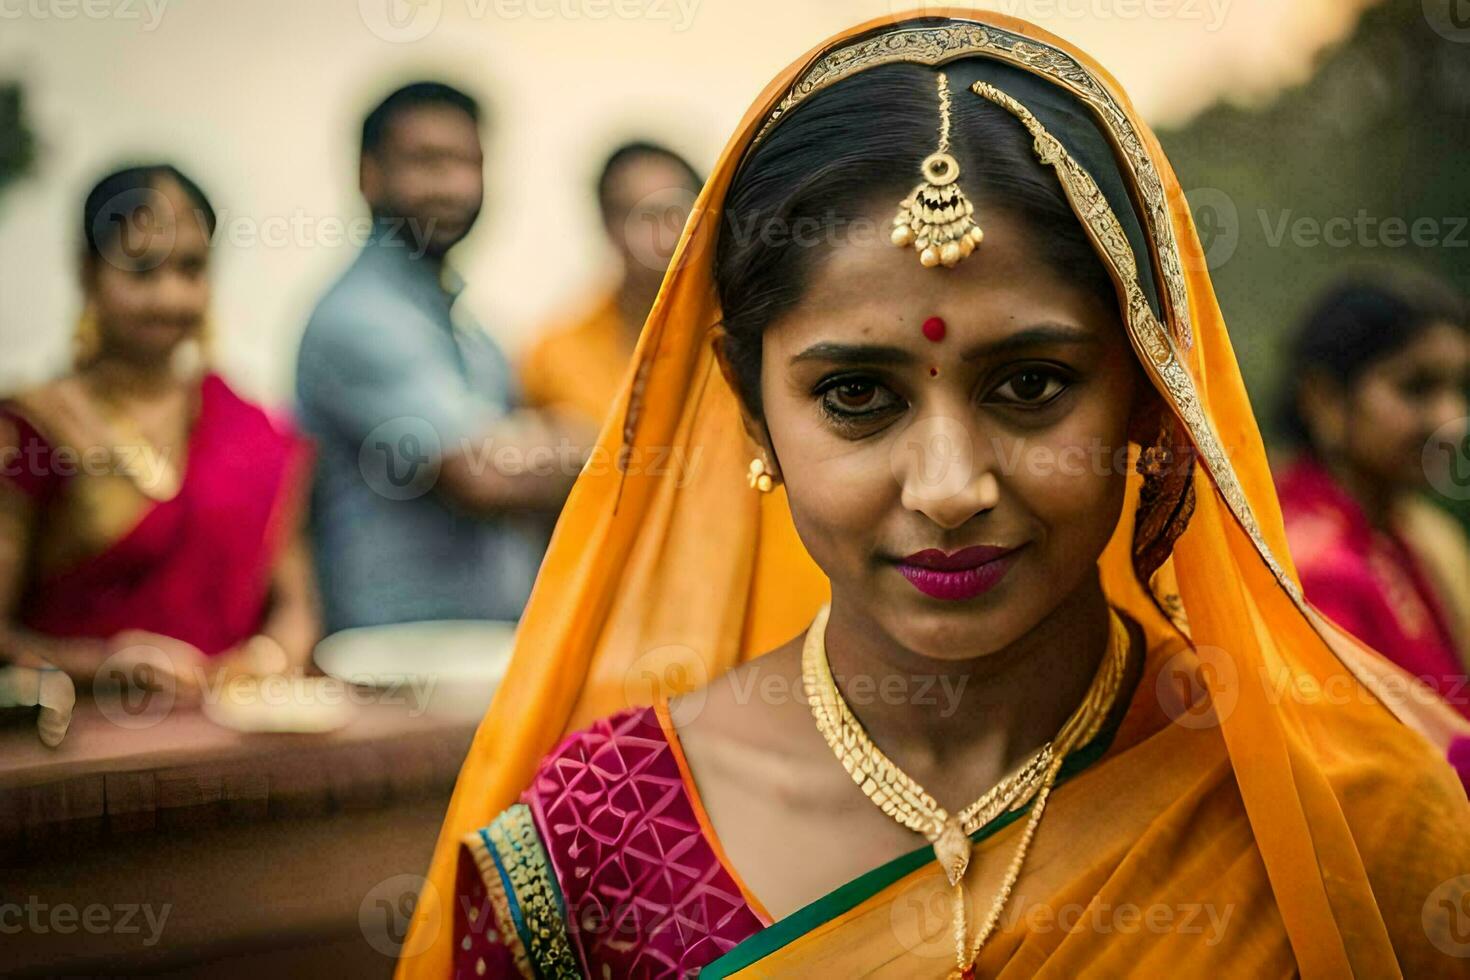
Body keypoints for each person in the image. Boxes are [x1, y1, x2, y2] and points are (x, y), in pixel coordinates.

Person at [398, 12, 1470, 979]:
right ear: (752, 404)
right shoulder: (605, 834)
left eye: (1032, 384)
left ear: (1152, 395)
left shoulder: (1344, 812)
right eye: (857, 393)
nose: (950, 487)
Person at [0, 164, 318, 696]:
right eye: (142, 271)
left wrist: (268, 657)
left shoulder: (251, 429)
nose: (170, 297)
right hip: (77, 754)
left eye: (190, 269)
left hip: (235, 737)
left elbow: (295, 605)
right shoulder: (32, 429)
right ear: (88, 273)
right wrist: (102, 663)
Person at [296, 82, 588, 633]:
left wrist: (551, 442)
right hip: (398, 665)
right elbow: (485, 475)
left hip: (479, 653)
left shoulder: (469, 330)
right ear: (369, 174)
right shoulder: (359, 316)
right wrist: (600, 440)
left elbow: (525, 460)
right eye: (427, 162)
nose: (453, 186)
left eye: (468, 163)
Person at [1276, 272, 1470, 720]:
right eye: (1416, 388)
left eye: (1458, 388)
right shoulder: (1311, 564)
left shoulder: (1412, 535)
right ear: (1323, 400)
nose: (1451, 419)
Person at [519, 141, 702, 426]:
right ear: (606, 224)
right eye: (634, 215)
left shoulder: (740, 335)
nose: (657, 234)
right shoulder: (555, 356)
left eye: (672, 214)